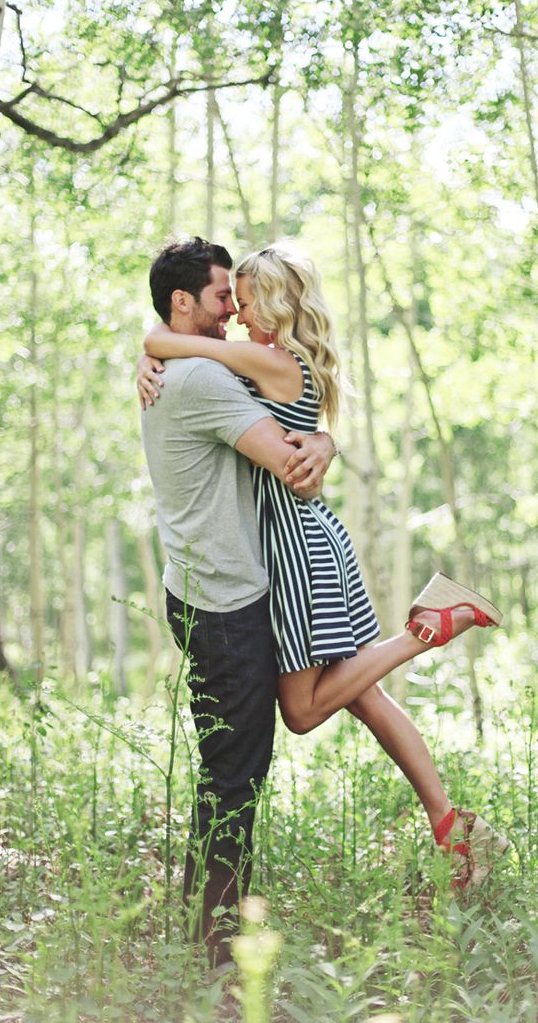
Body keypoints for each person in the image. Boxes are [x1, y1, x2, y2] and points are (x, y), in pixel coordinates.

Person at [138, 242, 509, 898]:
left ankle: (429, 629)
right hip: (305, 536)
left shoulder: (263, 356)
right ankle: (448, 821)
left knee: (304, 711)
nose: (234, 314)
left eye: (244, 301)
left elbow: (179, 347)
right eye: (228, 300)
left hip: (294, 544)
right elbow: (192, 355)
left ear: (275, 306)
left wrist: (152, 348)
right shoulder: (287, 360)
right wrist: (153, 354)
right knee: (360, 694)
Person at [139, 238, 336, 966]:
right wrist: (316, 450)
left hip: (196, 590)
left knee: (228, 769)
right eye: (224, 297)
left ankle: (209, 933)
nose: (233, 310)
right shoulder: (198, 381)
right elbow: (293, 471)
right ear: (182, 303)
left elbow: (292, 409)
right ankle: (215, 950)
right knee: (233, 775)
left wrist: (325, 436)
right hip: (226, 605)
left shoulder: (179, 368)